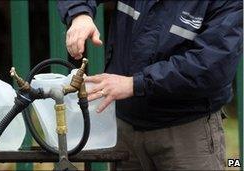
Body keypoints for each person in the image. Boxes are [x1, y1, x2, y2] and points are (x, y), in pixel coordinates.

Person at [58, 0, 243, 170]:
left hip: (186, 132)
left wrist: (135, 84)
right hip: (125, 130)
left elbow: (212, 66)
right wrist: (79, 14)